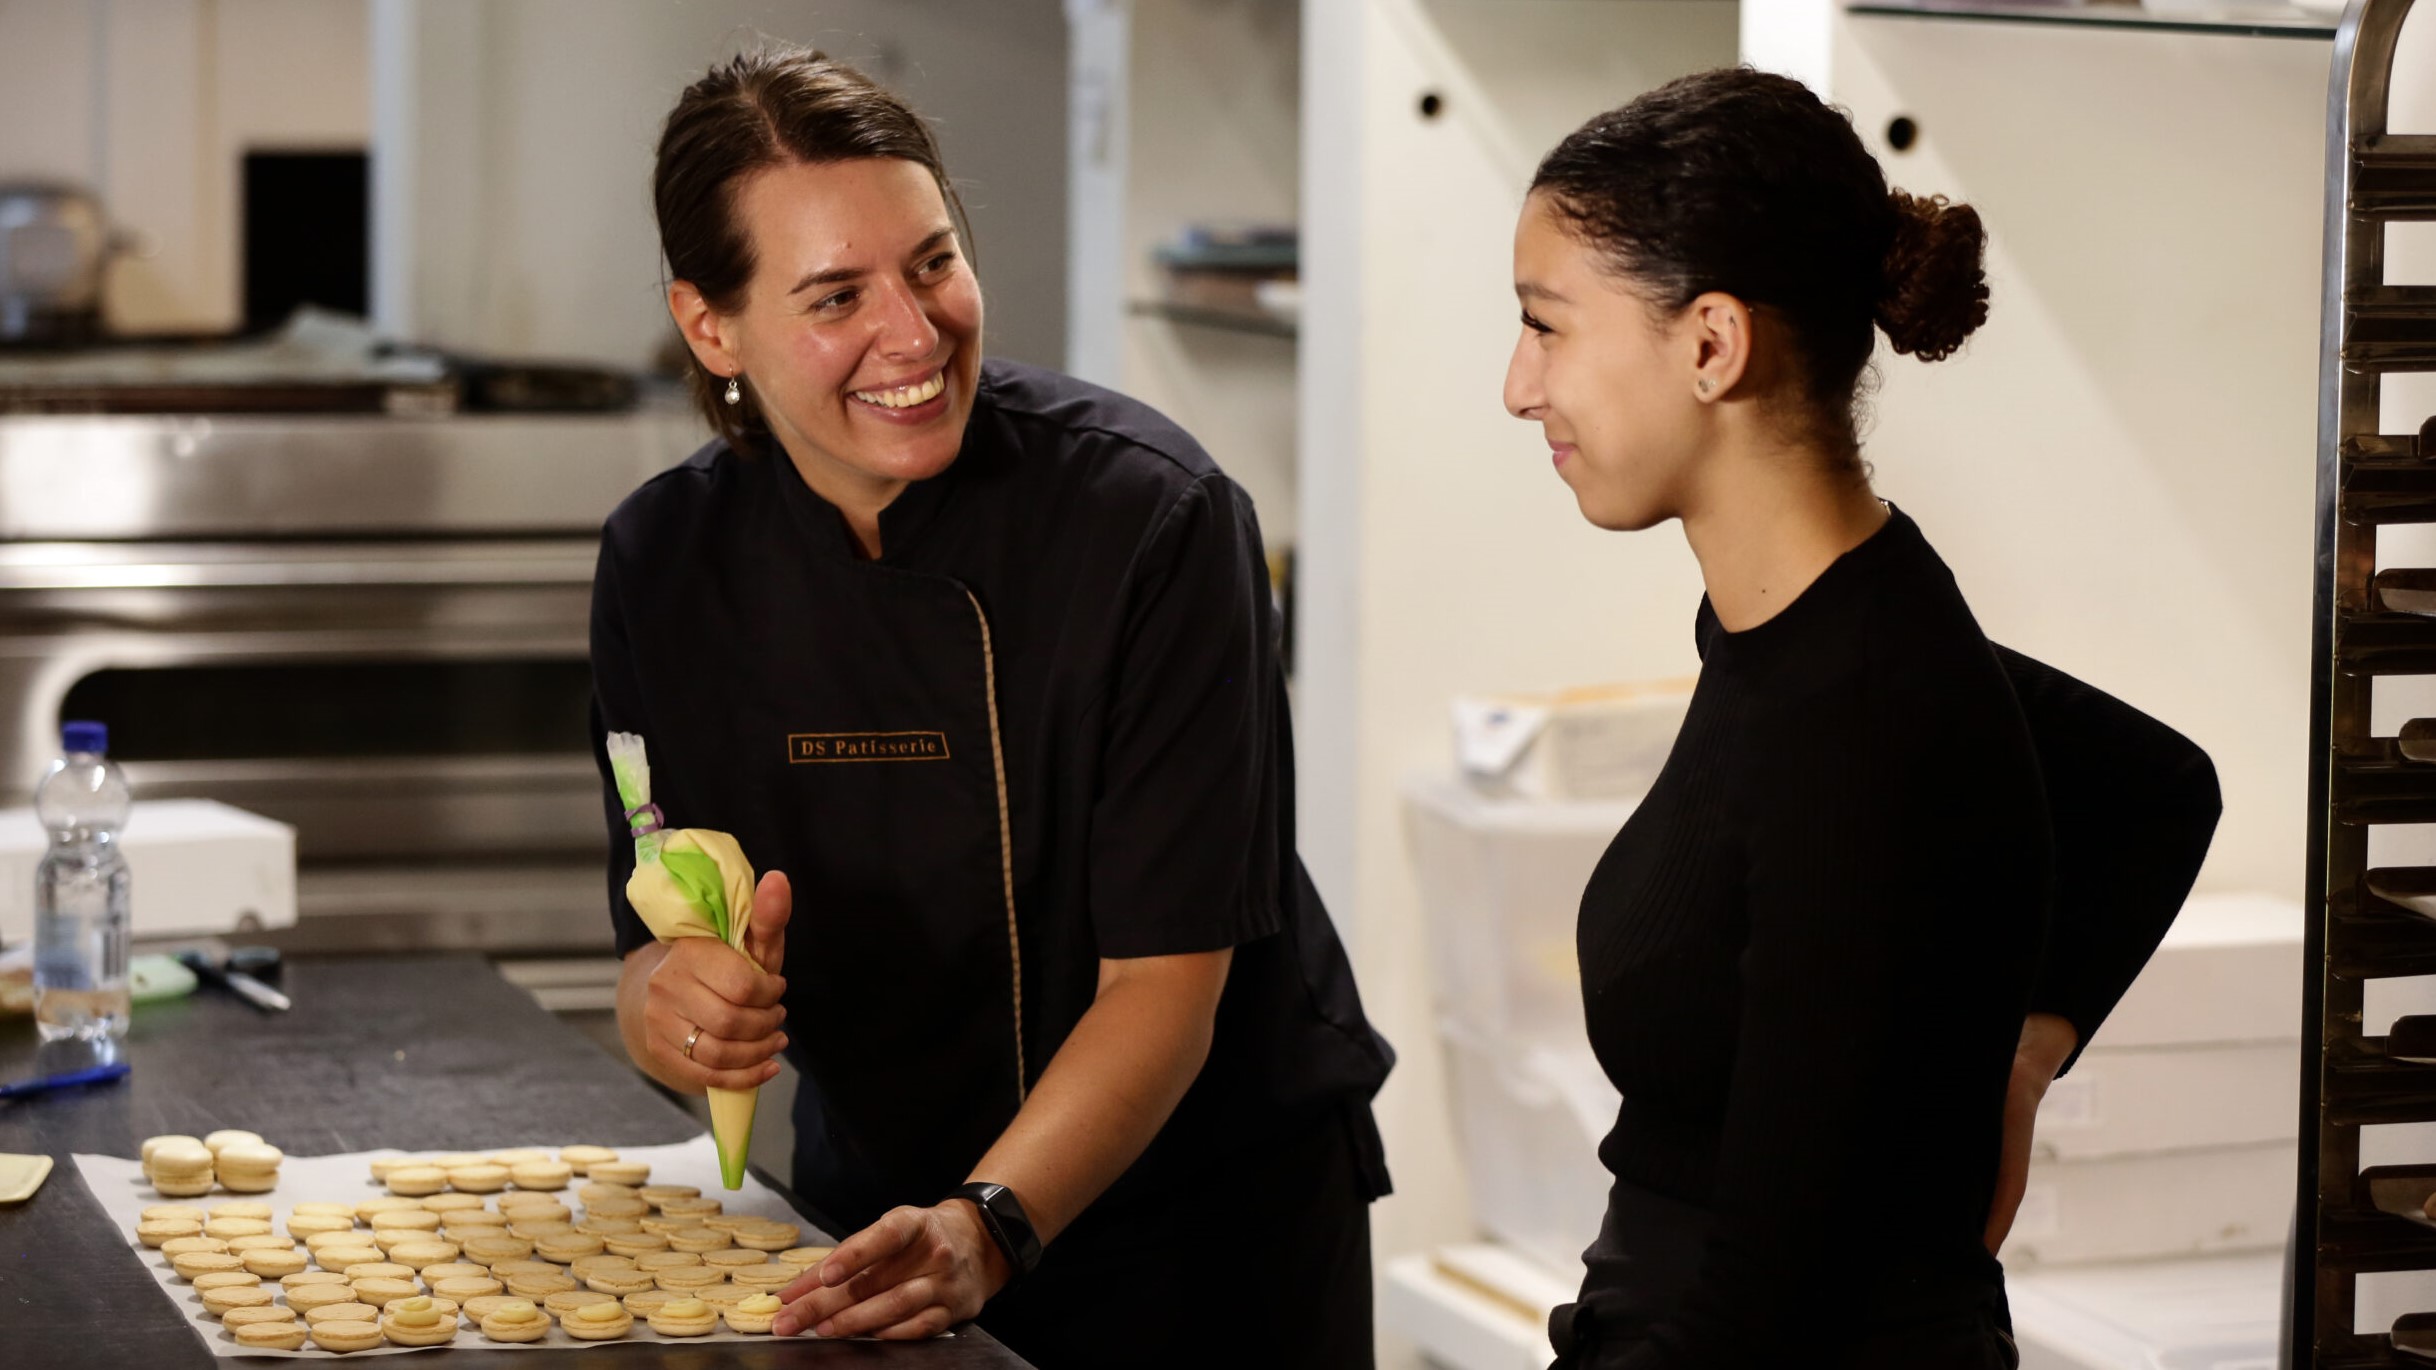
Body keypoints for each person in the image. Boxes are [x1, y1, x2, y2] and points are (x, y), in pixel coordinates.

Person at [589, 46, 1393, 1369]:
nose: (915, 333)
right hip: (876, 1224)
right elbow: (650, 943)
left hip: (1197, 1240)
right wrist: (674, 1014)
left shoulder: (1151, 520)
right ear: (709, 325)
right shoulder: (663, 565)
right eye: (837, 296)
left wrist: (991, 1223)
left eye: (933, 263)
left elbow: (1164, 985)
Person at [1500, 69, 2220, 1368]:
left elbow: (1769, 1304)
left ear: (1712, 345)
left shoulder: (1863, 713)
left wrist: (2015, 1059)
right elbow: (2154, 784)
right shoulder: (1820, 634)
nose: (1518, 385)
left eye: (1546, 327)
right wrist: (2023, 1054)